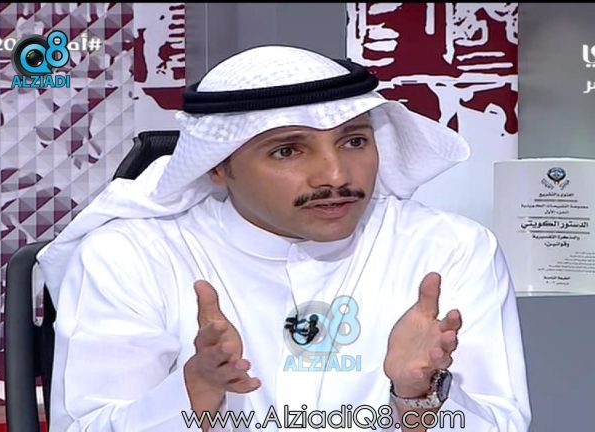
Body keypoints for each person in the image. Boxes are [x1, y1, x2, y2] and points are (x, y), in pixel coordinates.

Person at [37, 45, 531, 431]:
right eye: (288, 151)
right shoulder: (132, 257)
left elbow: (502, 424)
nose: (335, 175)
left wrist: (418, 397)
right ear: (217, 167)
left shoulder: (448, 249)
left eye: (354, 141)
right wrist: (193, 395)